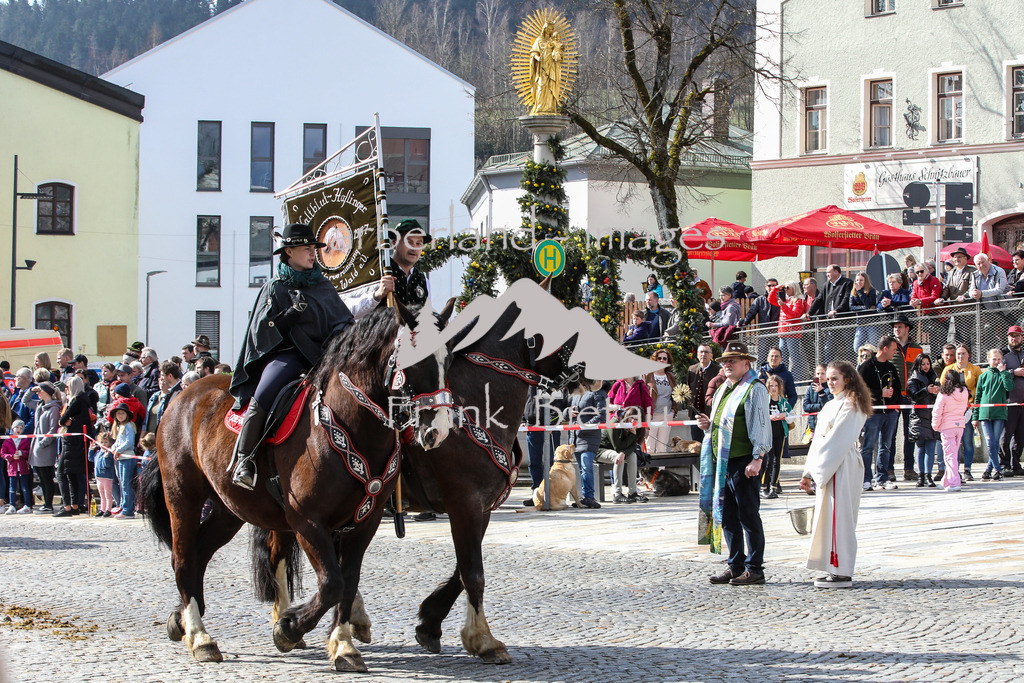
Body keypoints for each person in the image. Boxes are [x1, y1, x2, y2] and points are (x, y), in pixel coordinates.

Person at [229, 223, 354, 490]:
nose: (313, 253)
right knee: (264, 393)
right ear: (288, 252)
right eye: (307, 248)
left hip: (326, 359)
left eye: (314, 248)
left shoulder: (323, 286)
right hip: (289, 357)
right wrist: (288, 317)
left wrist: (342, 331)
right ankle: (245, 460)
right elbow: (261, 332)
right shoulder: (274, 288)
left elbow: (343, 319)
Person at [697, 342, 771, 586]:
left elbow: (761, 425)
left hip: (744, 460)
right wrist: (709, 425)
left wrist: (758, 458)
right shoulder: (723, 389)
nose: (727, 365)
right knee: (727, 516)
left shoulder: (754, 389)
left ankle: (755, 568)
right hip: (723, 462)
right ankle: (735, 565)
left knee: (748, 516)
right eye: (725, 361)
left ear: (746, 364)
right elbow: (723, 423)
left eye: (733, 361)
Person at [798, 360, 872, 588]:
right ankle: (831, 566)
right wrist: (808, 472)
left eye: (834, 378)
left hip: (842, 464)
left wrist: (818, 472)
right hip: (828, 464)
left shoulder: (852, 404)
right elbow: (818, 440)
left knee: (840, 517)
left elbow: (837, 440)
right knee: (827, 516)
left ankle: (842, 570)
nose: (829, 383)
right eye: (827, 379)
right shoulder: (832, 404)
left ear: (847, 379)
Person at [345, 218, 433, 316]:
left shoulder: (423, 280)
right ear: (394, 243)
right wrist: (377, 295)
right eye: (409, 242)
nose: (414, 247)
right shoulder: (375, 272)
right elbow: (348, 311)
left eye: (418, 243)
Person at [857, 336, 903, 490]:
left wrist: (896, 405)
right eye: (893, 349)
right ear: (885, 349)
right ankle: (865, 479)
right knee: (868, 446)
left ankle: (882, 477)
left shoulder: (891, 367)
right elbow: (860, 390)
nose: (895, 352)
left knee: (886, 445)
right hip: (873, 412)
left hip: (890, 412)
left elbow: (897, 388)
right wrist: (879, 393)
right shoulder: (866, 367)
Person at [939, 344, 982, 481]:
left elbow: (980, 388)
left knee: (967, 441)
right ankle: (954, 471)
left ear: (968, 355)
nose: (960, 356)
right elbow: (943, 388)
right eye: (958, 354)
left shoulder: (975, 370)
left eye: (963, 353)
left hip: (969, 408)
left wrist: (975, 406)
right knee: (954, 444)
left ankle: (967, 470)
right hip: (953, 411)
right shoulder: (948, 369)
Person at [891, 315, 923, 480]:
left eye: (900, 326)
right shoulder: (889, 347)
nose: (897, 329)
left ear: (907, 328)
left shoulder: (917, 348)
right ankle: (888, 469)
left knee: (910, 434)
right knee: (890, 433)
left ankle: (908, 469)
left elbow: (921, 371)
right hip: (893, 398)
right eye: (895, 326)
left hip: (910, 397)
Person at [54, 376, 90, 517]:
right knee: (71, 474)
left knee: (62, 473)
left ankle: (67, 506)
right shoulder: (84, 401)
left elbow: (63, 420)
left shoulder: (76, 402)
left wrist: (68, 420)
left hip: (72, 442)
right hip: (77, 442)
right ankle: (74, 504)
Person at [974, 348, 1013, 481]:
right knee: (990, 443)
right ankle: (997, 469)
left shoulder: (1004, 374)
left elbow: (1009, 387)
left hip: (999, 414)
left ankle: (989, 469)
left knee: (995, 443)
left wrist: (1003, 372)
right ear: (988, 359)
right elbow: (977, 397)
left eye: (998, 359)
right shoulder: (983, 376)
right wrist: (975, 417)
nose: (996, 361)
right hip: (984, 414)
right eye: (993, 359)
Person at [569, 379, 608, 509]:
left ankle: (589, 497)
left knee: (586, 467)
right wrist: (568, 412)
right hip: (575, 437)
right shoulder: (575, 393)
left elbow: (602, 416)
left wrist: (585, 425)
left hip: (590, 437)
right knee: (582, 469)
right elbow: (566, 410)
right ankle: (585, 497)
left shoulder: (598, 393)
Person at [597, 408, 647, 504]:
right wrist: (632, 435)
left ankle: (632, 492)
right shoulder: (615, 422)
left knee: (632, 456)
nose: (633, 421)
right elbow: (617, 446)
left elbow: (633, 446)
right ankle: (617, 494)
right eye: (631, 418)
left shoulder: (636, 427)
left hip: (620, 451)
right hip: (601, 451)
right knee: (617, 456)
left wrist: (625, 451)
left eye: (636, 419)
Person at [906, 354, 941, 488]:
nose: (926, 366)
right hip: (919, 418)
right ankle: (921, 476)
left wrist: (938, 390)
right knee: (920, 448)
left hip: (932, 416)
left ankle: (928, 475)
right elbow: (913, 395)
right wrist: (926, 390)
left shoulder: (935, 377)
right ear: (918, 365)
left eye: (928, 363)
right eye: (923, 364)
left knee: (931, 448)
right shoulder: (913, 380)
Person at [932, 370, 970, 492]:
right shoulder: (964, 391)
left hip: (947, 426)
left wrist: (935, 425)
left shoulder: (943, 393)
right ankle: (946, 481)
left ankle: (954, 482)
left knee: (949, 455)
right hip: (960, 425)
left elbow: (937, 411)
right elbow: (964, 407)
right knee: (953, 453)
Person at [29, 382, 61, 513]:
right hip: (36, 447)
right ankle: (46, 503)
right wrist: (31, 390)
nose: (38, 392)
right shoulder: (41, 405)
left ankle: (48, 503)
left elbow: (53, 429)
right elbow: (26, 401)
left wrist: (43, 443)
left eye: (40, 390)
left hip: (46, 448)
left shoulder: (53, 408)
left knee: (47, 477)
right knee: (41, 478)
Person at [935, 247, 976, 346]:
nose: (956, 259)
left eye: (959, 257)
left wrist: (965, 296)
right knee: (958, 337)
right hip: (955, 310)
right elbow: (947, 287)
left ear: (966, 258)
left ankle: (969, 358)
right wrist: (943, 298)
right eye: (955, 257)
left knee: (968, 337)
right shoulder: (951, 272)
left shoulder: (971, 271)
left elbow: (972, 287)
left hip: (968, 309)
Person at [970, 252, 1010, 351]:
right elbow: (971, 290)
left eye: (983, 262)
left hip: (1005, 309)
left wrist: (981, 293)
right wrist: (974, 294)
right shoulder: (975, 275)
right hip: (988, 311)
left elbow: (999, 289)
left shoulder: (999, 271)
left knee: (1007, 334)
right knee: (988, 335)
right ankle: (990, 358)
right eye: (978, 264)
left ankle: (1006, 356)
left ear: (988, 260)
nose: (981, 265)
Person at [768, 281, 807, 380]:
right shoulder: (786, 300)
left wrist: (783, 306)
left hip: (792, 332)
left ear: (794, 288)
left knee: (794, 357)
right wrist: (775, 288)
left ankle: (796, 379)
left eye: (788, 288)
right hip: (783, 332)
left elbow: (794, 315)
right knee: (782, 357)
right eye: (785, 288)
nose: (786, 290)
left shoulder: (799, 300)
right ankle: (783, 378)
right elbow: (770, 299)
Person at [762, 375, 792, 500]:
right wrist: (768, 417)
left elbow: (791, 416)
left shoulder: (783, 402)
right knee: (767, 461)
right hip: (767, 434)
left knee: (776, 461)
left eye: (776, 386)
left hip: (780, 433)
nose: (773, 388)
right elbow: (760, 415)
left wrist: (784, 415)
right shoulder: (764, 400)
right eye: (771, 386)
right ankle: (764, 487)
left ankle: (774, 486)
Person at [999, 325, 1024, 476]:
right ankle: (1004, 464)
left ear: (1022, 337)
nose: (1014, 338)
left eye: (1017, 336)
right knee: (1006, 436)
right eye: (1011, 336)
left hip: (1023, 404)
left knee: (1021, 437)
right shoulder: (1003, 354)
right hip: (1010, 402)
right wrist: (1014, 372)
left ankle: (1016, 464)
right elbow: (996, 373)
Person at [644, 350, 678, 453]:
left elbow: (676, 395)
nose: (662, 360)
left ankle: (660, 469)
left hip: (666, 415)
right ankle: (649, 469)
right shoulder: (648, 375)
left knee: (662, 447)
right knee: (650, 446)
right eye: (659, 358)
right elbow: (642, 395)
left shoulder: (670, 377)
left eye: (664, 358)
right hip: (651, 415)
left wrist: (673, 411)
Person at [741, 278, 780, 365]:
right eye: (769, 285)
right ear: (766, 287)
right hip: (764, 331)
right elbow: (752, 312)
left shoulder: (781, 299)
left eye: (774, 285)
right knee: (762, 356)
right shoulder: (760, 299)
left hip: (777, 331)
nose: (772, 287)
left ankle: (778, 376)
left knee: (777, 355)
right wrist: (745, 322)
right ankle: (760, 375)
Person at [687, 344, 720, 442]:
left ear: (711, 356)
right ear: (697, 355)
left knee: (711, 440)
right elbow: (688, 388)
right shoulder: (692, 369)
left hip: (711, 413)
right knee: (696, 441)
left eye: (706, 352)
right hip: (695, 413)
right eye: (701, 352)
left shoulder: (718, 370)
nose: (703, 354)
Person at [109, 403, 137, 519]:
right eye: (118, 413)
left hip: (127, 457)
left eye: (122, 413)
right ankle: (123, 505)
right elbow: (118, 441)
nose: (120, 415)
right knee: (122, 483)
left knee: (126, 484)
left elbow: (129, 442)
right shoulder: (120, 426)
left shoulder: (129, 426)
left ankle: (128, 510)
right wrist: (113, 448)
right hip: (121, 457)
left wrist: (118, 449)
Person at [910, 261, 945, 349]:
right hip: (928, 314)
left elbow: (935, 296)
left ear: (927, 271)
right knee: (932, 341)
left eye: (921, 271)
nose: (919, 274)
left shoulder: (934, 280)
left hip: (939, 315)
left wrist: (920, 301)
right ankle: (934, 360)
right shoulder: (915, 283)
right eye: (917, 272)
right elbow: (913, 295)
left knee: (941, 341)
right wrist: (912, 301)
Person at [822, 264, 853, 362]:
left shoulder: (847, 283)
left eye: (829, 272)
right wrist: (809, 313)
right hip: (832, 323)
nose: (827, 275)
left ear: (836, 272)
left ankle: (852, 369)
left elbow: (846, 299)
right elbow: (819, 300)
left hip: (845, 322)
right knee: (829, 349)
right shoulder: (827, 285)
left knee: (849, 348)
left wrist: (837, 311)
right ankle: (826, 371)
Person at [2, 420, 33, 513]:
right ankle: (12, 505)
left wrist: (21, 453)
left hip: (23, 467)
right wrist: (11, 457)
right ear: (13, 428)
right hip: (12, 467)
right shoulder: (7, 440)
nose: (19, 430)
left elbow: (28, 452)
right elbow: (3, 453)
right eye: (17, 427)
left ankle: (27, 505)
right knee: (12, 488)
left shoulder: (24, 440)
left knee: (25, 487)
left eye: (21, 428)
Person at [802, 364, 833, 444]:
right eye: (818, 374)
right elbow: (805, 407)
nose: (820, 376)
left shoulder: (830, 388)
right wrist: (819, 406)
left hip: (826, 427)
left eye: (823, 373)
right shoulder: (811, 388)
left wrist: (821, 392)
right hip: (812, 426)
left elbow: (828, 406)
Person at [849, 271, 878, 354]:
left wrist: (860, 292)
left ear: (865, 281)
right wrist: (865, 308)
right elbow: (852, 307)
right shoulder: (853, 292)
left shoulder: (871, 291)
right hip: (861, 323)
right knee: (857, 347)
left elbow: (869, 303)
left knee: (873, 347)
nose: (859, 282)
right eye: (857, 280)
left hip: (872, 323)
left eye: (861, 280)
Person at [93, 431, 116, 517]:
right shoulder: (98, 452)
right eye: (102, 442)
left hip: (107, 476)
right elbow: (91, 459)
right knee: (101, 494)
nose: (104, 444)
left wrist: (106, 458)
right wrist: (91, 450)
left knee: (107, 494)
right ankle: (102, 509)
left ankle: (108, 509)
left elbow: (108, 465)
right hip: (99, 476)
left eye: (106, 442)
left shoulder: (109, 453)